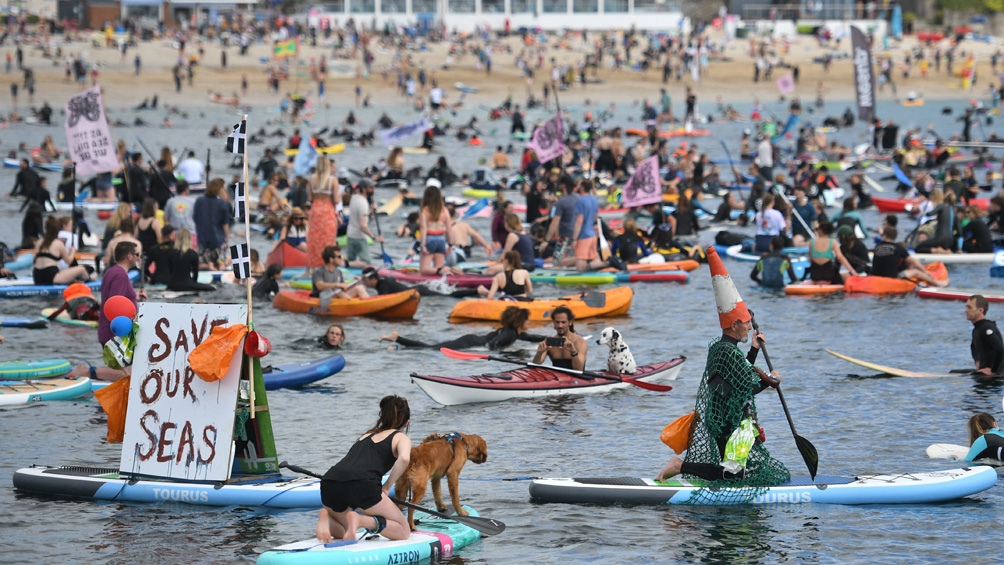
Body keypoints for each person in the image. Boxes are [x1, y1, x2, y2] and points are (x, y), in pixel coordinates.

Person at [656, 247, 789, 485]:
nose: (750, 328)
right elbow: (747, 387)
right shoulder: (729, 353)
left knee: (732, 472)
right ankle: (679, 466)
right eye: (746, 324)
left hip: (722, 418)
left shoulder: (720, 347)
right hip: (728, 422)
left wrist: (754, 349)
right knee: (731, 474)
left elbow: (738, 378)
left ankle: (682, 466)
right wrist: (773, 379)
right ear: (734, 324)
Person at [315, 395, 412, 543]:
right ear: (406, 422)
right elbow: (404, 458)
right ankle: (360, 520)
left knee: (345, 531)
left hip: (330, 481)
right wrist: (386, 487)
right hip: (362, 483)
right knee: (403, 531)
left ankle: (326, 518)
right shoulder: (400, 437)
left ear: (383, 417)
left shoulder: (367, 434)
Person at [381, 305, 544, 351]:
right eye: (527, 321)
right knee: (431, 349)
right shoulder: (510, 334)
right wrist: (494, 351)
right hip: (469, 343)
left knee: (432, 347)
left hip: (470, 339)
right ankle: (398, 341)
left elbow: (530, 337)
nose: (529, 323)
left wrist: (549, 339)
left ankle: (398, 341)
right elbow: (494, 344)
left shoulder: (514, 332)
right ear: (519, 322)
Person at [98, 241, 148, 347]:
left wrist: (135, 297)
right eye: (137, 255)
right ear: (129, 256)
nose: (138, 258)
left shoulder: (111, 271)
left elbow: (118, 298)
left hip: (109, 331)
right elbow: (115, 305)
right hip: (115, 334)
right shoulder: (120, 275)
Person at [871, 227, 948, 287]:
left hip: (875, 276)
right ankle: (937, 283)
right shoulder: (898, 247)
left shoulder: (877, 247)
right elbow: (914, 262)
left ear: (884, 236)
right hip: (892, 278)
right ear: (895, 237)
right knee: (916, 271)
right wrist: (926, 272)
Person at [33, 215, 94, 285]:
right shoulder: (58, 244)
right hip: (51, 276)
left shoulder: (38, 242)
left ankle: (76, 279)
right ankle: (90, 279)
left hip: (37, 276)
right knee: (82, 269)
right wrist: (73, 251)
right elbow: (69, 261)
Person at [307, 157, 340, 271]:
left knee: (313, 240)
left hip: (315, 210)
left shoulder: (311, 179)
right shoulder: (332, 180)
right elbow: (336, 200)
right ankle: (327, 266)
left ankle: (311, 267)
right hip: (327, 211)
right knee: (328, 240)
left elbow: (310, 198)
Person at [360, 266, 478, 298]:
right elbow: (392, 280)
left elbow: (382, 301)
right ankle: (475, 291)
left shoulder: (382, 286)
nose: (364, 283)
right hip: (419, 289)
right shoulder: (385, 281)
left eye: (365, 280)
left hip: (420, 292)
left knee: (450, 296)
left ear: (373, 279)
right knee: (448, 295)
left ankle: (477, 290)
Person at [532, 305, 587, 371]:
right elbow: (534, 366)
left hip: (576, 379)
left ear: (570, 322)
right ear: (554, 323)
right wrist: (539, 353)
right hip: (557, 379)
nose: (560, 325)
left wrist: (573, 352)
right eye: (557, 322)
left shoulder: (579, 342)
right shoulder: (550, 342)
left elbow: (579, 369)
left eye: (563, 322)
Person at [192, 178, 232, 270]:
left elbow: (195, 218)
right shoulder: (222, 204)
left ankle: (209, 266)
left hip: (203, 238)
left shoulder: (199, 201)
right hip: (218, 238)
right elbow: (225, 223)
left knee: (201, 262)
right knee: (221, 261)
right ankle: (218, 267)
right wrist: (227, 239)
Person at [345, 179, 383, 267]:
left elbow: (360, 215)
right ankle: (344, 264)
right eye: (370, 187)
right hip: (359, 237)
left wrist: (370, 211)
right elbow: (362, 226)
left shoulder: (354, 198)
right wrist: (374, 237)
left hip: (350, 234)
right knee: (366, 262)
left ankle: (346, 265)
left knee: (351, 259)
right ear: (364, 189)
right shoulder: (363, 203)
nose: (373, 189)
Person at [419, 183, 454, 275]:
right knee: (438, 268)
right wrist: (450, 244)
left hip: (430, 238)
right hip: (441, 239)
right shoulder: (444, 210)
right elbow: (449, 229)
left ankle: (443, 270)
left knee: (424, 269)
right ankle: (442, 271)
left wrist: (423, 245)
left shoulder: (425, 210)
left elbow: (423, 228)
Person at [571, 179, 606, 272]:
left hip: (583, 235)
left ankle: (607, 263)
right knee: (594, 257)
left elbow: (579, 220)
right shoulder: (594, 200)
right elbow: (595, 217)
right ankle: (601, 266)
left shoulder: (580, 201)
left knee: (580, 264)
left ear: (582, 188)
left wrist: (574, 239)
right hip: (592, 234)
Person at [168, 228, 217, 292]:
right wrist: (193, 284)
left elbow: (170, 271)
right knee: (212, 288)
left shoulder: (171, 252)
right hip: (187, 284)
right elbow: (195, 275)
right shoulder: (193, 254)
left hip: (172, 285)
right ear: (189, 238)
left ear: (178, 238)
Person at [966, 295, 1004, 375]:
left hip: (994, 377)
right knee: (952, 372)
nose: (966, 310)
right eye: (966, 307)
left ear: (980, 310)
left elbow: (1000, 349)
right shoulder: (977, 329)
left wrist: (993, 370)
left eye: (969, 307)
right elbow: (973, 348)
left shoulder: (987, 328)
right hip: (983, 371)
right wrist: (977, 361)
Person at [134, 198, 163, 264]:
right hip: (152, 251)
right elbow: (160, 238)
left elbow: (135, 236)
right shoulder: (155, 222)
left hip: (142, 249)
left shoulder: (139, 220)